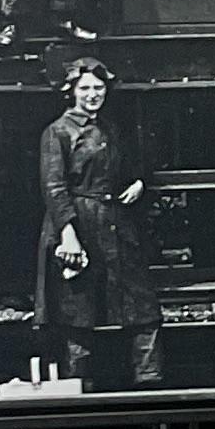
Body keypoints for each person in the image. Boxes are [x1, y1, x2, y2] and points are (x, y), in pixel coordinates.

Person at [35, 55, 162, 388]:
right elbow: (54, 187)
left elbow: (127, 165)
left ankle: (149, 380)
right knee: (78, 309)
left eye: (98, 88)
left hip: (116, 223)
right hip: (79, 224)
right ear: (72, 91)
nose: (93, 95)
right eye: (85, 88)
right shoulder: (57, 132)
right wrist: (68, 235)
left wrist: (138, 182)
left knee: (140, 303)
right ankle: (78, 384)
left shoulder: (110, 128)